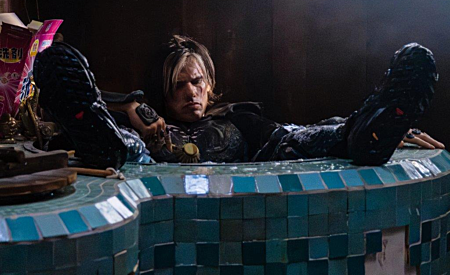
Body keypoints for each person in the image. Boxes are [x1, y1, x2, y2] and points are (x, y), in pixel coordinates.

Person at [33, 36, 444, 170]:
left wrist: (359, 125)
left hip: (247, 170)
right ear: (162, 92)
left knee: (292, 141)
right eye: (178, 86)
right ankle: (103, 144)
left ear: (210, 84)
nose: (190, 92)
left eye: (197, 82)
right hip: (135, 161)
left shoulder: (236, 119)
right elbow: (59, 122)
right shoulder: (145, 124)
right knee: (124, 146)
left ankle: (368, 127)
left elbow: (298, 133)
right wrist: (127, 106)